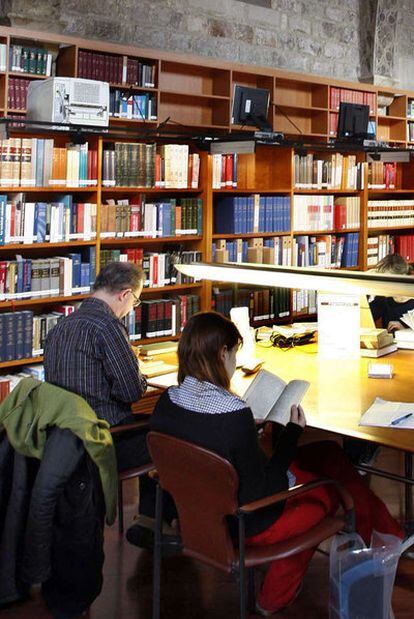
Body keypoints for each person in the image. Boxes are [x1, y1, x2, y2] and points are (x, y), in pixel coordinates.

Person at [149, 311, 403, 616]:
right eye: (234, 354)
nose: (233, 363)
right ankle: (274, 596)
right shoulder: (233, 414)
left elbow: (219, 449)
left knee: (328, 454)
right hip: (246, 524)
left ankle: (384, 534)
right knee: (329, 495)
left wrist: (256, 436)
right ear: (222, 353)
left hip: (198, 515)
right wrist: (291, 433)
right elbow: (266, 491)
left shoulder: (167, 402)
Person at [44, 261, 155, 518]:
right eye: (135, 301)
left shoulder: (61, 327)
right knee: (165, 435)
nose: (131, 309)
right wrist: (135, 369)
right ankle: (151, 521)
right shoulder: (108, 327)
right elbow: (132, 393)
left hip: (64, 440)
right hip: (105, 438)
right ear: (125, 294)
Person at [369, 253, 414, 332]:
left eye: (388, 281)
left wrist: (405, 330)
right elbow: (364, 316)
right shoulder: (384, 298)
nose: (384, 286)